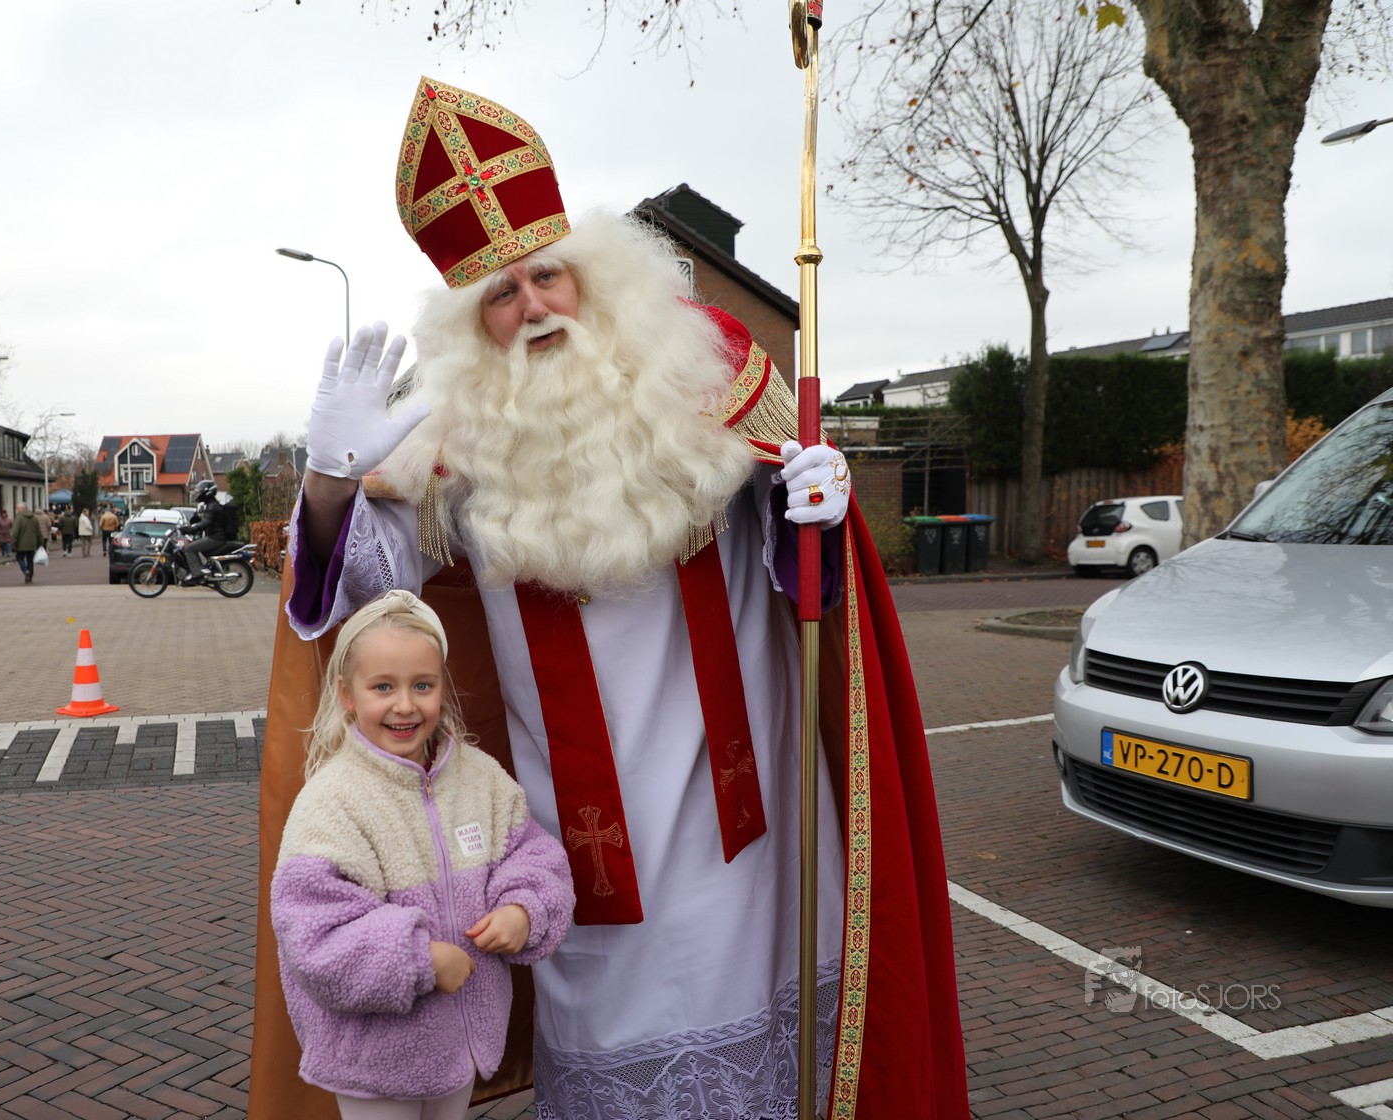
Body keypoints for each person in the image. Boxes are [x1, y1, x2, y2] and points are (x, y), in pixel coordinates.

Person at [252, 78, 966, 1119]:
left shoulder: (707, 369)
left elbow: (806, 569)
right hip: (586, 847)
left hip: (754, 821)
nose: (534, 307)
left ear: (590, 274)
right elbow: (356, 602)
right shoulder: (449, 439)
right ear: (473, 324)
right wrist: (326, 480)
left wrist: (816, 503)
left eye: (547, 274)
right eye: (501, 295)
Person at [271, 590, 574, 1120]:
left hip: (459, 1048)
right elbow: (313, 935)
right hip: (375, 1061)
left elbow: (535, 857)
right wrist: (420, 960)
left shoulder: (480, 779)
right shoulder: (331, 802)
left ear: (442, 688)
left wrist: (523, 910)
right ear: (346, 694)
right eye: (382, 686)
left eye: (422, 685)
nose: (405, 705)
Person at [179, 479, 237, 586]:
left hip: (215, 538)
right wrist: (193, 525)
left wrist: (190, 530)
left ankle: (197, 574)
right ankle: (199, 570)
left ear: (207, 492)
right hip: (215, 536)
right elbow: (206, 522)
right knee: (193, 547)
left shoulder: (212, 506)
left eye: (200, 491)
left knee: (189, 549)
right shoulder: (211, 505)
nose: (198, 494)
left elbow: (206, 523)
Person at [11, 502, 42, 583]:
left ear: (22, 509)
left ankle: (25, 570)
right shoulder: (34, 518)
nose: (17, 510)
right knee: (30, 560)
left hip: (21, 544)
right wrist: (40, 543)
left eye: (17, 508)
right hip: (32, 543)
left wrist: (13, 544)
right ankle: (30, 577)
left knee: (19, 557)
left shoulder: (19, 518)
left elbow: (15, 532)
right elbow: (38, 532)